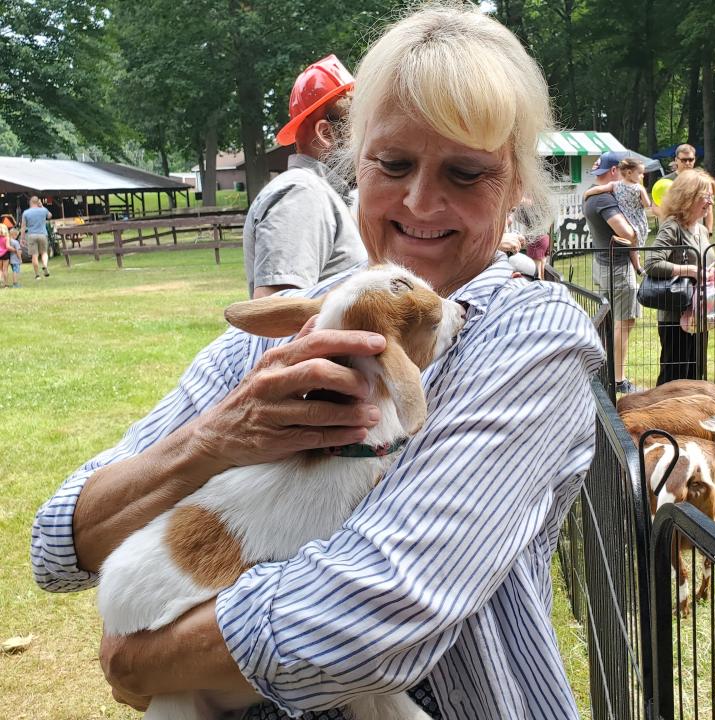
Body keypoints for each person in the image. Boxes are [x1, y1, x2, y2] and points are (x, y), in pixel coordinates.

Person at [31, 6, 605, 720]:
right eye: (393, 164)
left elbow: (377, 612)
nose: (422, 201)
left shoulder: (529, 336)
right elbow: (60, 545)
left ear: (516, 184)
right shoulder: (281, 335)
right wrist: (215, 439)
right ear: (353, 163)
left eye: (465, 172)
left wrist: (143, 653)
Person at [242, 54, 367, 299]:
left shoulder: (321, 195)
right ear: (326, 133)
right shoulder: (301, 194)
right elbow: (275, 317)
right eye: (358, 127)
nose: (366, 141)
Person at [644, 169, 715, 384]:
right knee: (673, 378)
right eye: (706, 196)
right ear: (688, 196)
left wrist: (709, 273)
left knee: (696, 374)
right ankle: (663, 417)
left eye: (712, 196)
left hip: (699, 313)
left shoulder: (702, 229)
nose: (711, 202)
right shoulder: (672, 226)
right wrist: (691, 271)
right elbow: (652, 263)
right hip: (675, 316)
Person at [585, 150, 642, 394]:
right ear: (614, 171)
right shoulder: (605, 201)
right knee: (623, 323)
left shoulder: (592, 196)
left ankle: (608, 373)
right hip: (617, 268)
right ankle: (618, 379)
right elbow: (626, 233)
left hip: (602, 264)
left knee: (612, 323)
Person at [583, 156, 651, 246]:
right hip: (616, 258)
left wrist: (586, 193)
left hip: (602, 256)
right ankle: (636, 260)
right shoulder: (604, 199)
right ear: (614, 170)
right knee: (634, 246)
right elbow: (628, 235)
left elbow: (596, 190)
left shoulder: (591, 194)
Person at [654, 144, 714, 236]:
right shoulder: (665, 181)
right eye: (683, 160)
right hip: (672, 233)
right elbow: (655, 208)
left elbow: (709, 208)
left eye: (690, 159)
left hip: (695, 233)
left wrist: (709, 231)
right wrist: (673, 218)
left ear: (694, 160)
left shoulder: (701, 180)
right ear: (676, 160)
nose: (687, 163)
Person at [20, 196, 51, 280]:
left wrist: (22, 238)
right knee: (44, 252)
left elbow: (23, 227)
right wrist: (42, 206)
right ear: (38, 202)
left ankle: (37, 275)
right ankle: (45, 265)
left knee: (34, 255)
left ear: (30, 202)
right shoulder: (43, 210)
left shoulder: (26, 212)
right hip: (43, 234)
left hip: (31, 235)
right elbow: (50, 216)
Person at [0, 223, 10, 288]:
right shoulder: (6, 238)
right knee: (5, 269)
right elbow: (8, 247)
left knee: (0, 270)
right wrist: (15, 250)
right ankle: (6, 285)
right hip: (5, 254)